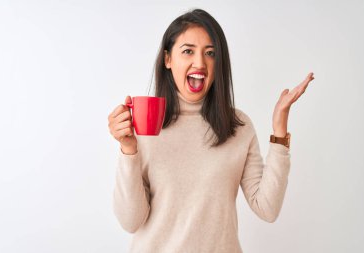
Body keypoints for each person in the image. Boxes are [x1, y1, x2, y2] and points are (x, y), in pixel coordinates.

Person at [107, 8, 314, 253]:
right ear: (167, 59)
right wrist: (129, 150)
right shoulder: (144, 126)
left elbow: (267, 208)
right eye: (188, 51)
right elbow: (130, 221)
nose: (200, 63)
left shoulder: (238, 126)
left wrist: (280, 130)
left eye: (210, 53)